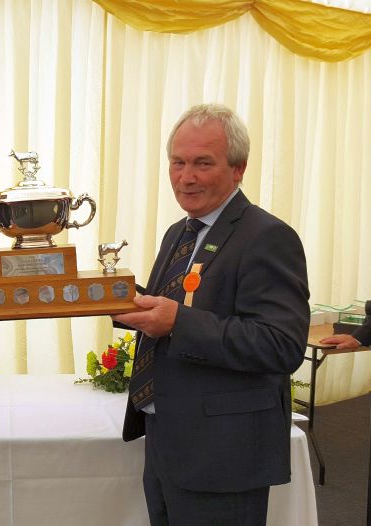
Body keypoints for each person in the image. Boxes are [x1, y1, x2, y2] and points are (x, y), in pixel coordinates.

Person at [112, 103, 310, 525]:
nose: (186, 177)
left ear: (238, 169)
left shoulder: (268, 236)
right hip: (168, 441)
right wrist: (114, 300)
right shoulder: (180, 231)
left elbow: (281, 345)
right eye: (178, 162)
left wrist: (176, 323)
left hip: (224, 456)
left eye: (203, 163)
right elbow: (183, 307)